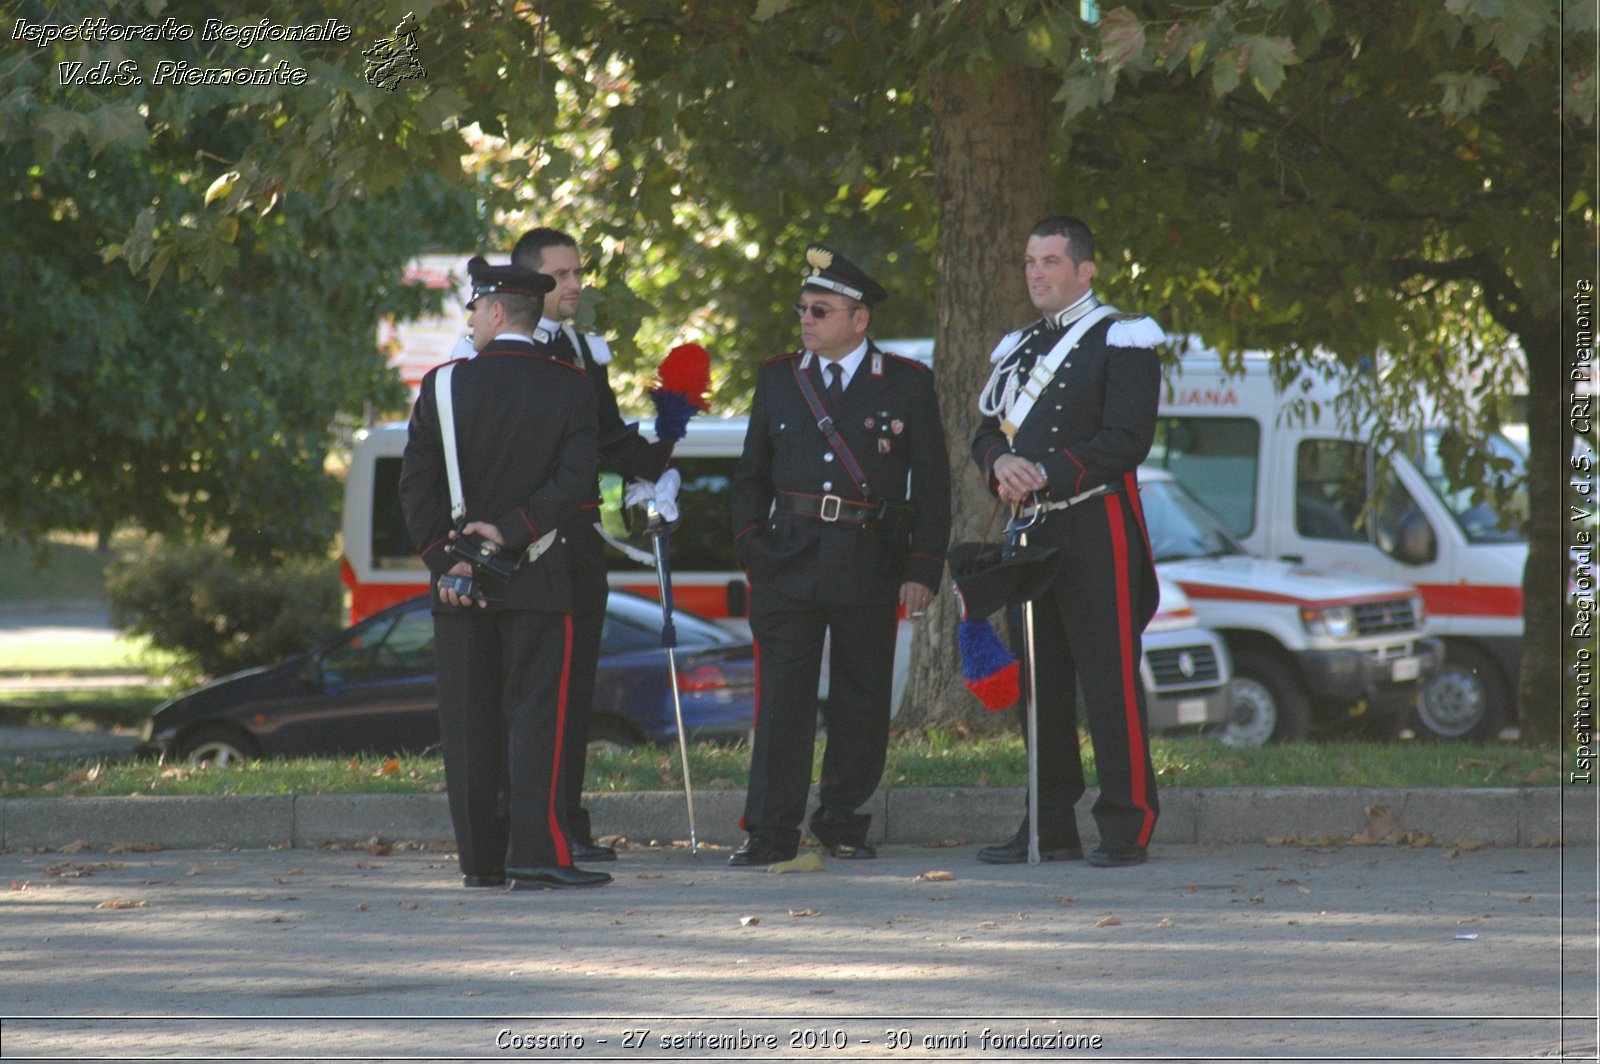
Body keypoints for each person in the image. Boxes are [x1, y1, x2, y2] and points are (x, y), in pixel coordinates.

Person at [728, 242, 950, 866]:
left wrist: (923, 567)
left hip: (869, 558)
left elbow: (932, 483)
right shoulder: (778, 377)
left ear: (859, 319)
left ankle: (842, 821)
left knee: (862, 697)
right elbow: (750, 475)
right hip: (787, 559)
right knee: (783, 704)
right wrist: (751, 545)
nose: (807, 320)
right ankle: (769, 832)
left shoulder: (905, 383)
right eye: (803, 308)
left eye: (821, 310)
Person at [399, 256, 611, 890]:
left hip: (459, 584)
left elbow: (417, 491)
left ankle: (481, 860)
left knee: (468, 726)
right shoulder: (570, 385)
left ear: (493, 312)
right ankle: (537, 852)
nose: (473, 321)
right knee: (537, 718)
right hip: (543, 579)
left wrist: (451, 559)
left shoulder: (441, 385)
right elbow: (576, 483)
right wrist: (514, 529)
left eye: (474, 310)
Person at [970, 215, 1164, 868]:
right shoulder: (1019, 347)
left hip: (1094, 523)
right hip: (1034, 529)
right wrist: (1000, 463)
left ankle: (1127, 824)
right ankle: (1047, 825)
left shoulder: (1124, 340)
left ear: (1085, 270)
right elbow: (987, 431)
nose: (1036, 274)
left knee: (1107, 680)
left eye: (1050, 262)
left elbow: (1126, 440)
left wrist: (1045, 470)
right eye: (1029, 261)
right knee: (1039, 684)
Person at [509, 227, 678, 862]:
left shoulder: (583, 350)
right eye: (560, 276)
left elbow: (606, 441)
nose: (575, 284)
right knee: (535, 691)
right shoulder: (508, 351)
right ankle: (528, 823)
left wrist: (665, 443)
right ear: (530, 285)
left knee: (576, 689)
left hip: (579, 541)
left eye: (579, 273)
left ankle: (566, 819)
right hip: (530, 541)